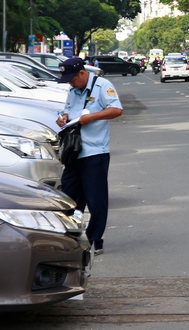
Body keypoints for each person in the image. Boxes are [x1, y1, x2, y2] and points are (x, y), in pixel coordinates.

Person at [56, 57, 122, 256]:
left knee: (96, 199)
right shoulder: (73, 89)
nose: (70, 83)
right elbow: (68, 110)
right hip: (74, 151)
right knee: (70, 197)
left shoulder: (102, 86)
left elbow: (116, 110)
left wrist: (91, 117)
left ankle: (95, 239)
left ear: (82, 73)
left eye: (72, 79)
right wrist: (63, 117)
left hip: (94, 152)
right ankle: (75, 237)